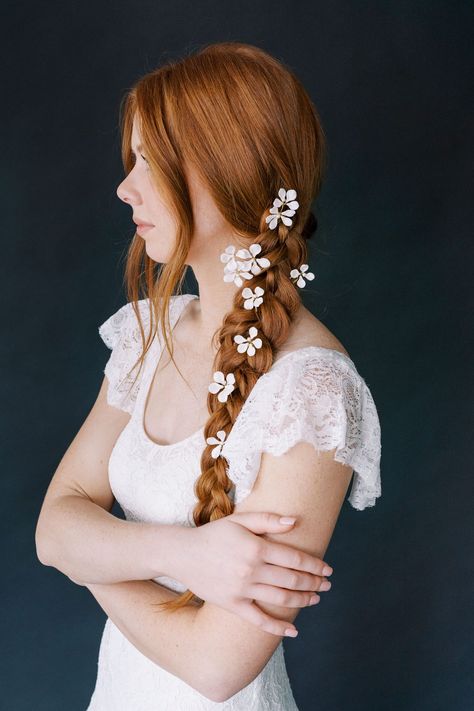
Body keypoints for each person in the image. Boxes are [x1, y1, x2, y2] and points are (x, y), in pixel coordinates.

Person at [35, 41, 382, 709]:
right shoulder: (147, 333)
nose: (124, 186)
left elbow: (216, 666)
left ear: (229, 168)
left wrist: (90, 557)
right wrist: (185, 555)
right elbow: (51, 526)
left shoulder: (313, 390)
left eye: (149, 161)